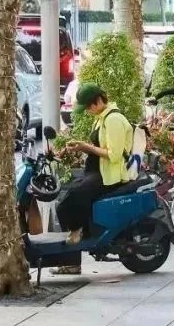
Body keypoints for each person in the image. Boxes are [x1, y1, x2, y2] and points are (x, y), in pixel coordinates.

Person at [56, 85, 134, 244]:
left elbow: (114, 155)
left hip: (110, 175)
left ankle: (77, 232)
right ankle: (82, 233)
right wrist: (80, 146)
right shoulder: (101, 118)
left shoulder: (113, 119)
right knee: (69, 193)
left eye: (88, 107)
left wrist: (86, 147)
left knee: (75, 196)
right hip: (97, 170)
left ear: (98, 100)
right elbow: (99, 145)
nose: (87, 110)